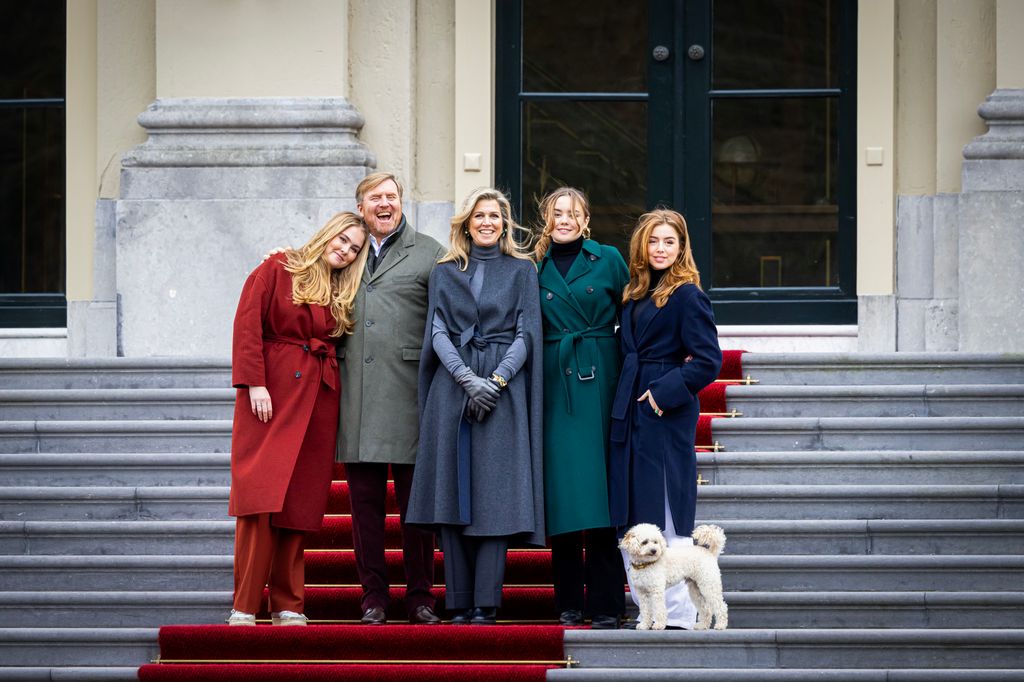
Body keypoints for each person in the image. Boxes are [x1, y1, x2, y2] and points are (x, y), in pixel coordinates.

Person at [407, 187, 545, 625]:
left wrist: (497, 381)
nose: (487, 222)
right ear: (466, 223)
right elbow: (438, 332)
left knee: (495, 495)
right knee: (452, 491)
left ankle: (487, 602)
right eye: (479, 215)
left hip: (504, 392)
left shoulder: (523, 270)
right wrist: (468, 381)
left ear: (505, 223)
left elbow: (527, 334)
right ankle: (459, 601)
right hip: (452, 388)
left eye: (495, 215)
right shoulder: (445, 271)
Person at [227, 211, 368, 626]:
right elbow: (247, 326)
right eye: (341, 240)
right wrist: (254, 384)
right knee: (260, 499)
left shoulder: (344, 289)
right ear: (327, 234)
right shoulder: (278, 267)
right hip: (270, 396)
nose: (344, 250)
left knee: (298, 504)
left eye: (353, 248)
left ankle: (288, 604)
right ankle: (245, 605)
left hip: (318, 399)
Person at [337, 172, 446, 625]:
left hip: (409, 394)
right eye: (375, 198)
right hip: (356, 397)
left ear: (402, 203)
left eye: (392, 197)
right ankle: (374, 598)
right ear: (361, 206)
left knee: (416, 511)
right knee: (364, 511)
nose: (385, 204)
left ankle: (421, 596)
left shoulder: (430, 252)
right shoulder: (345, 247)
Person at [608, 208, 723, 629]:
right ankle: (648, 610)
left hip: (663, 410)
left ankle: (676, 614)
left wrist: (663, 393)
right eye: (654, 241)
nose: (660, 249)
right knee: (635, 506)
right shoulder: (634, 293)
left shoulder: (689, 294)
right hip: (629, 408)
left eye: (669, 242)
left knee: (665, 506)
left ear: (681, 248)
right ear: (642, 245)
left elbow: (708, 360)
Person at [533, 187, 629, 629]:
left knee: (603, 491)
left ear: (585, 218)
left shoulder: (608, 258)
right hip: (556, 380)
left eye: (573, 213)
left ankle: (608, 602)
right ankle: (568, 600)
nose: (565, 219)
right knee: (566, 493)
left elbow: (633, 313)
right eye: (558, 213)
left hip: (602, 373)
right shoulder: (533, 265)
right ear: (547, 218)